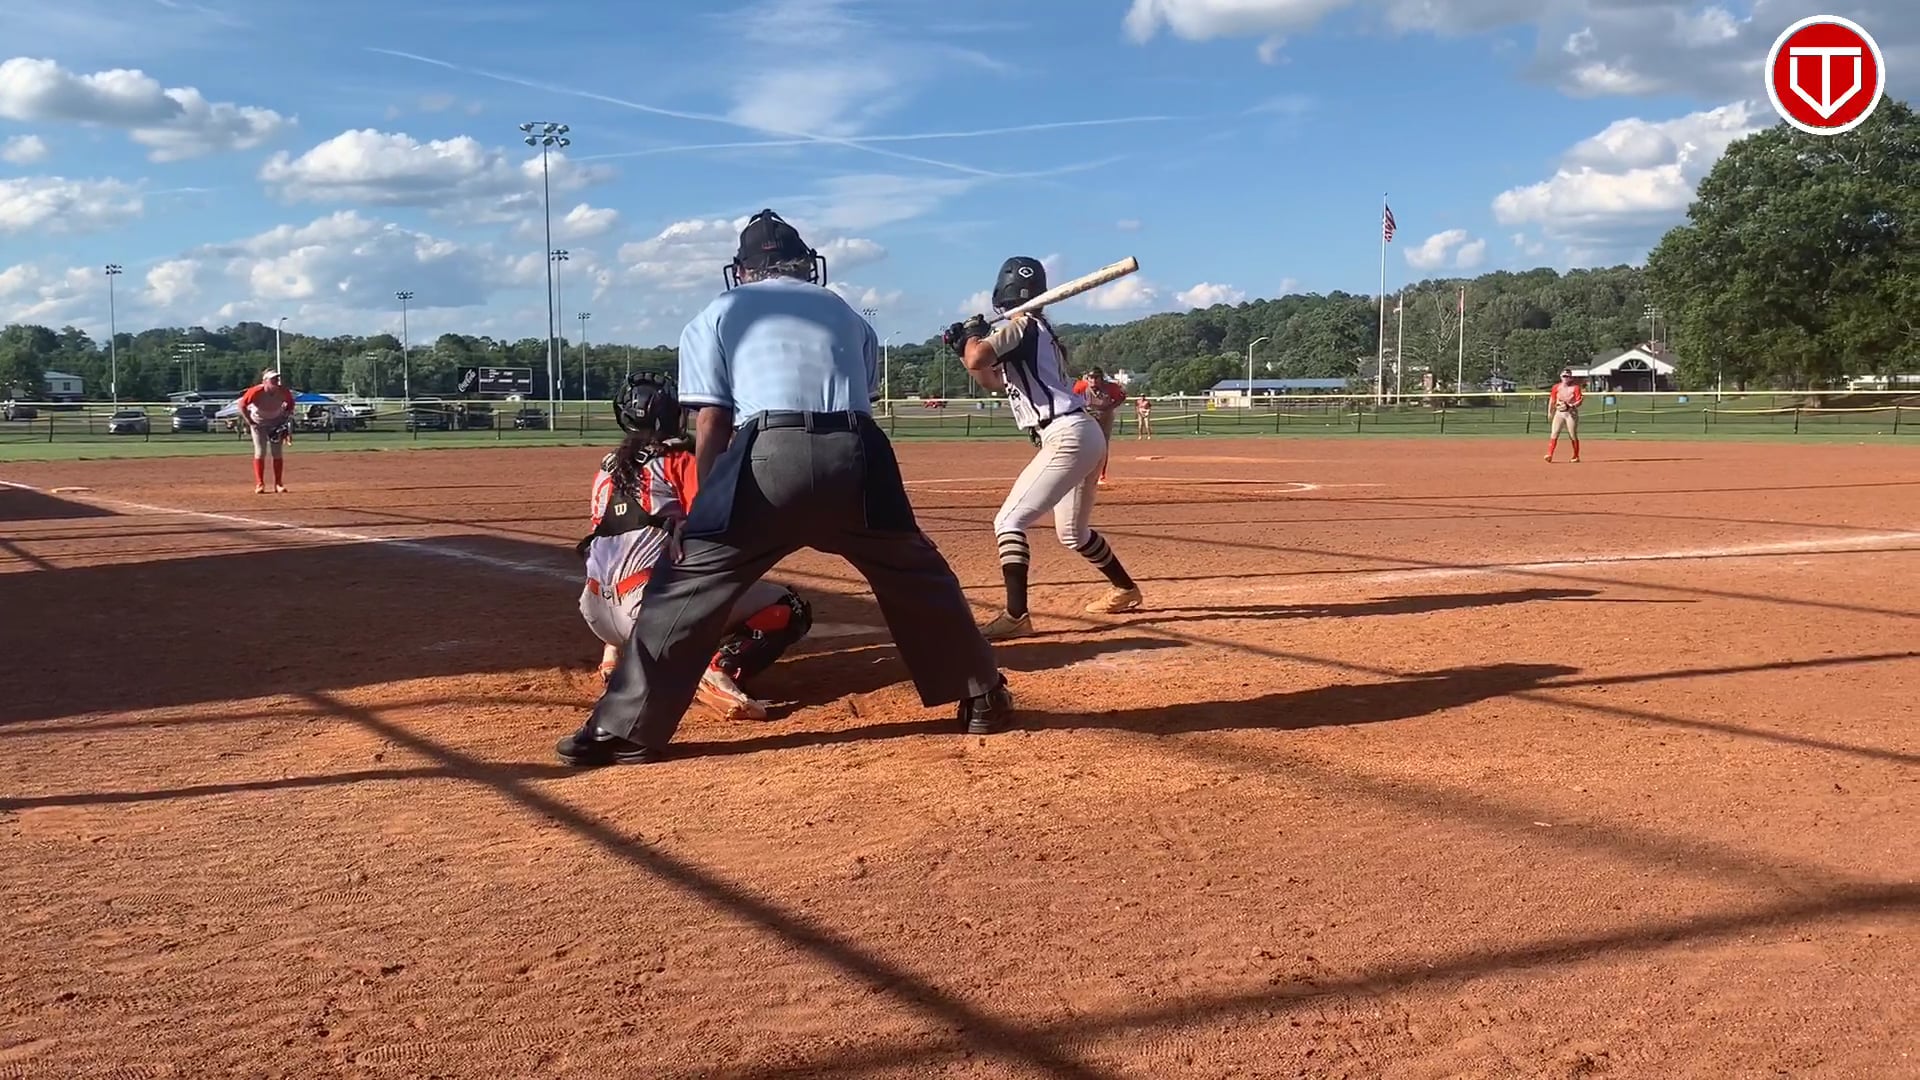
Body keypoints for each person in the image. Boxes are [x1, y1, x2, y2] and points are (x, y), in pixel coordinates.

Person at [554, 209, 1013, 767]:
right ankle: (981, 695)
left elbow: (712, 421)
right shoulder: (847, 313)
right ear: (805, 264)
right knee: (915, 572)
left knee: (688, 583)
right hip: (858, 452)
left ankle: (624, 731)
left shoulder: (718, 312)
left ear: (743, 269)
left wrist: (703, 515)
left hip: (766, 454)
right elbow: (859, 399)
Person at [576, 371, 813, 722]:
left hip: (596, 611)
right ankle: (719, 670)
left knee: (633, 554)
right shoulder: (679, 459)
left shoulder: (608, 468)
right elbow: (716, 524)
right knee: (788, 606)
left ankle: (615, 656)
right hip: (646, 614)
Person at [945, 257, 1143, 641]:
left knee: (1008, 522)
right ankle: (1125, 589)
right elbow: (989, 378)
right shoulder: (1036, 332)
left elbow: (978, 355)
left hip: (1067, 434)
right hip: (1080, 433)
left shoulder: (1021, 327)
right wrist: (964, 347)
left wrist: (971, 338)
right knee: (1073, 533)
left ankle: (1016, 616)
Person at [237, 369, 295, 493]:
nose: (276, 381)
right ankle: (260, 484)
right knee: (260, 452)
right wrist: (250, 421)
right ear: (265, 381)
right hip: (259, 423)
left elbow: (290, 404)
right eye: (273, 379)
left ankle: (278, 484)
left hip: (276, 422)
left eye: (277, 379)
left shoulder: (283, 391)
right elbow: (242, 405)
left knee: (277, 453)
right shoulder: (256, 391)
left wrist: (284, 419)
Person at [1072, 366, 1126, 485]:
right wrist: (1082, 409)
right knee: (1084, 443)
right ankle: (1082, 473)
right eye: (1091, 378)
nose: (1093, 381)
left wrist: (1109, 408)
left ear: (1101, 379)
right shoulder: (1081, 386)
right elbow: (1072, 398)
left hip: (1105, 415)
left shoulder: (1110, 387)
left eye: (1096, 378)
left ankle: (1101, 475)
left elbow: (1121, 397)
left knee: (1103, 445)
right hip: (1088, 415)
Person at [1545, 368, 1583, 463]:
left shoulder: (1575, 388)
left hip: (1571, 413)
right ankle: (1549, 454)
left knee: (1572, 434)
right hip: (1559, 413)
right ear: (1561, 377)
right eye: (1564, 376)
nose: (1566, 378)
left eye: (1568, 376)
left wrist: (1572, 405)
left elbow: (1579, 401)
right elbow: (1552, 400)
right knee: (1554, 433)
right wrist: (1550, 412)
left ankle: (1576, 456)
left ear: (1571, 378)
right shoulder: (1556, 387)